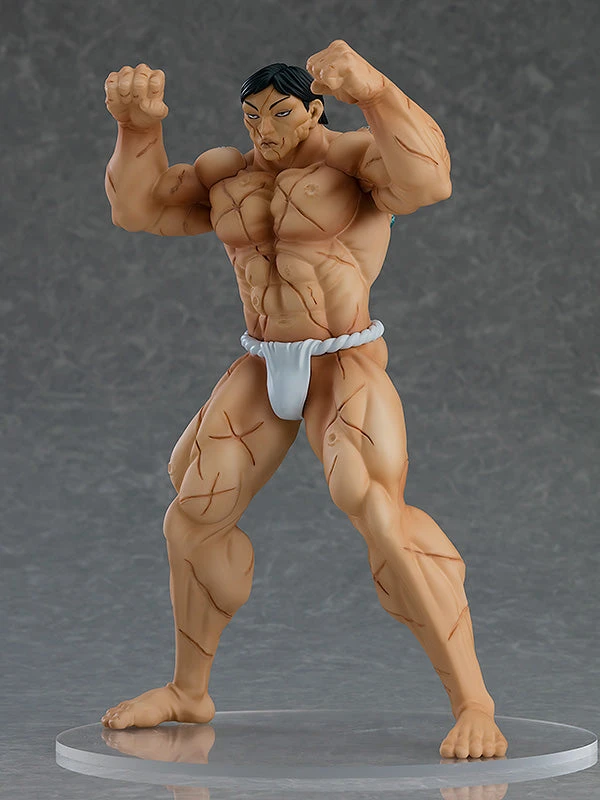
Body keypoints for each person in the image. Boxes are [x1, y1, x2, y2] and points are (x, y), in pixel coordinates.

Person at [101, 39, 507, 760]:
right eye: (253, 115)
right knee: (191, 518)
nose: (264, 128)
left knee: (374, 507)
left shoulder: (351, 160)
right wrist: (138, 130)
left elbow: (428, 181)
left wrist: (375, 90)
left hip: (343, 357)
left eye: (280, 113)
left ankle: (474, 702)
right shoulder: (228, 173)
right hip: (263, 361)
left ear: (314, 110)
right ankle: (189, 691)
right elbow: (141, 210)